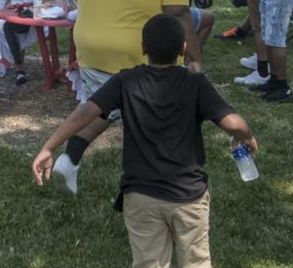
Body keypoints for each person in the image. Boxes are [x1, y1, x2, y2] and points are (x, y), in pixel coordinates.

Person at [32, 14, 257, 267]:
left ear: (142, 48)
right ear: (183, 49)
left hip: (140, 196)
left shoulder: (125, 80)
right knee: (196, 262)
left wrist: (48, 147)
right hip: (188, 197)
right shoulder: (195, 83)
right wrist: (247, 136)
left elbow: (85, 112)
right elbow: (233, 123)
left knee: (148, 262)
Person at [48, 0, 201, 194]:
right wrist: (195, 61)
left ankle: (70, 159)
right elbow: (179, 16)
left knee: (102, 108)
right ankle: (155, 181)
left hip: (90, 48)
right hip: (140, 55)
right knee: (152, 119)